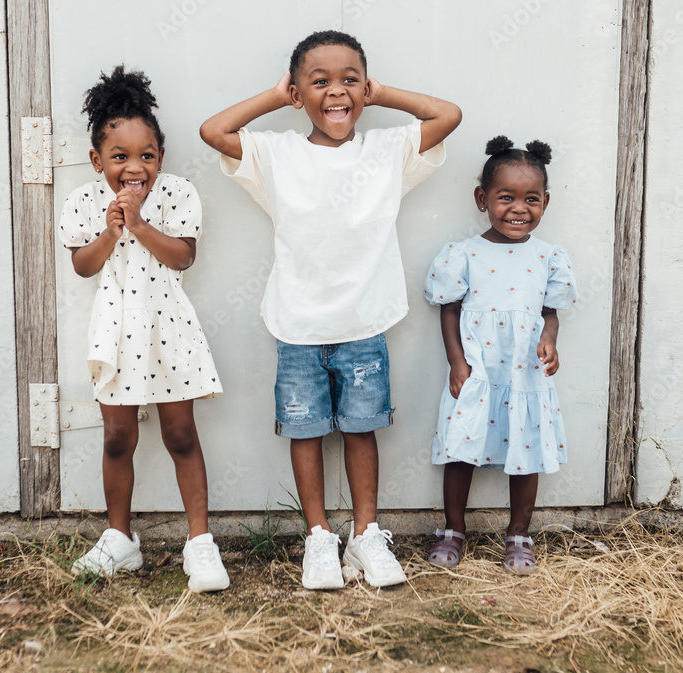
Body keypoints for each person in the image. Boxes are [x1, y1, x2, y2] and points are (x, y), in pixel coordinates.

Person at [200, 30, 461, 589]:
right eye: (320, 82)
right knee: (306, 432)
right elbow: (213, 131)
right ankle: (319, 537)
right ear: (298, 94)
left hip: (364, 323)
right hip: (297, 325)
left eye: (350, 81)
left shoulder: (386, 150)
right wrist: (278, 97)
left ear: (365, 88)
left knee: (363, 431)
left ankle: (366, 535)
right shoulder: (277, 154)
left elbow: (448, 115)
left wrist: (381, 92)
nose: (337, 92)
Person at [59, 65, 228, 592]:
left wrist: (139, 223)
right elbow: (82, 266)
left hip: (167, 325)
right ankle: (120, 539)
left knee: (181, 434)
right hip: (114, 329)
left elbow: (183, 257)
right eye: (120, 157)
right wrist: (111, 232)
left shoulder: (177, 193)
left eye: (147, 156)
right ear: (97, 161)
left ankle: (199, 541)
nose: (135, 168)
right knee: (117, 437)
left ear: (161, 156)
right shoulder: (84, 201)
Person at [423, 136, 577, 575]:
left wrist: (550, 340)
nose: (518, 209)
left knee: (526, 449)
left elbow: (549, 314)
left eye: (531, 199)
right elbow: (449, 309)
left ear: (545, 202)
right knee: (461, 447)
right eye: (506, 197)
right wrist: (457, 362)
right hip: (477, 370)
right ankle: (453, 529)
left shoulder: (548, 257)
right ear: (482, 198)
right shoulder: (464, 254)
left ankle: (518, 534)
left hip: (525, 373)